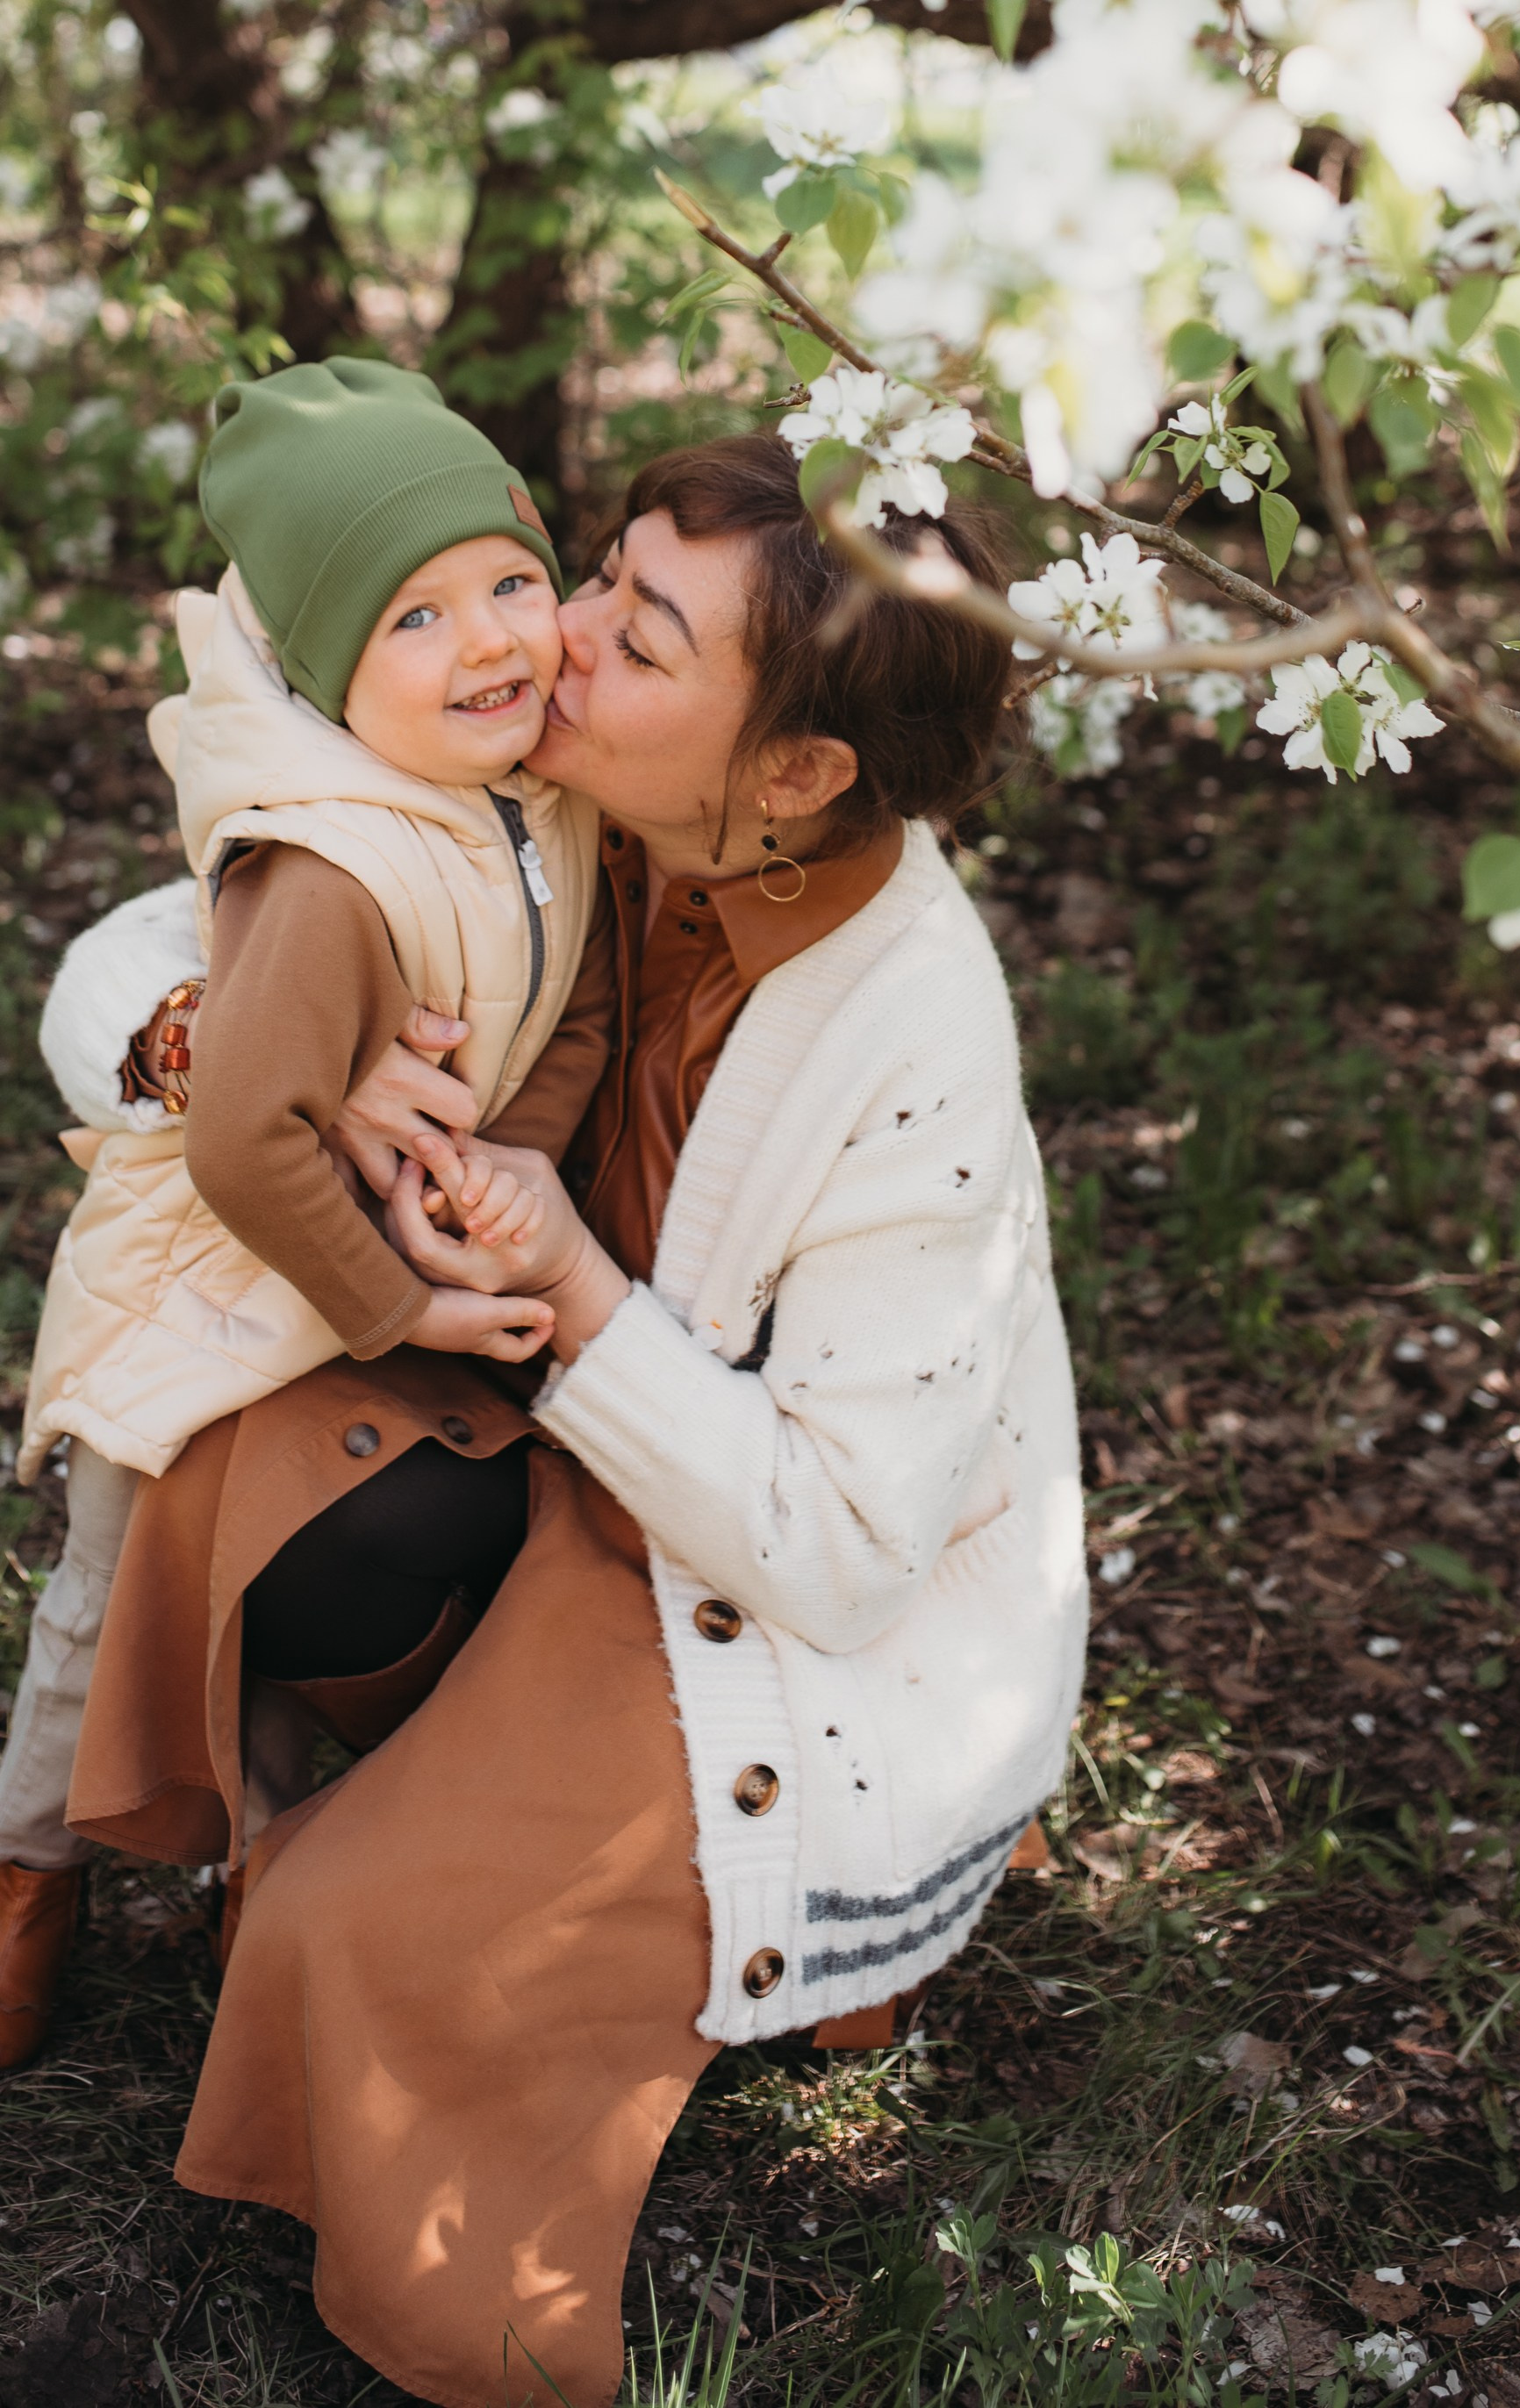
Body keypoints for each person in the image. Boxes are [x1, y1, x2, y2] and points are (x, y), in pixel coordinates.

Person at [11, 433, 1086, 2408]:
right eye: (594, 567)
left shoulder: (914, 1040)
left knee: (358, 1938)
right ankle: (378, 1759)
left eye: (641, 632)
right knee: (229, 1466)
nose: (555, 637)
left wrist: (581, 1296)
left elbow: (841, 1557)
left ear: (793, 774)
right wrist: (227, 1058)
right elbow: (143, 956)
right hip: (549, 1445)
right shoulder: (550, 806)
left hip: (749, 1578)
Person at [0, 358, 603, 2064]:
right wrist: (400, 1306)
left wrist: (499, 1175)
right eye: (415, 620)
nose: (489, 639)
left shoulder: (538, 803)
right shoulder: (331, 869)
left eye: (509, 580)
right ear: (335, 681)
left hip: (360, 1244)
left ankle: (267, 1869)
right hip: (210, 1279)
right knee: (112, 1605)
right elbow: (245, 1146)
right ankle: (28, 1869)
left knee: (270, 1587)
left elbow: (590, 1016)